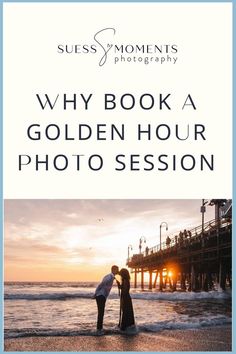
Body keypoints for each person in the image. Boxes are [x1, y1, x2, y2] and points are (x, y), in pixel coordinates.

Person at [93, 265, 119, 335]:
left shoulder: (112, 277)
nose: (118, 271)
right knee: (101, 313)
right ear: (113, 270)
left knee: (101, 313)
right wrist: (95, 293)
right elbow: (101, 284)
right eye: (117, 270)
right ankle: (99, 330)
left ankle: (99, 328)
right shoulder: (109, 277)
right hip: (100, 296)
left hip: (102, 296)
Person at [118, 268, 135, 333]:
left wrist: (122, 299)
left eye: (121, 274)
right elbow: (123, 288)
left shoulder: (125, 280)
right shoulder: (126, 280)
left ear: (123, 274)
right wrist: (119, 285)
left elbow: (124, 291)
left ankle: (124, 328)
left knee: (125, 312)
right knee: (127, 313)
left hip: (126, 298)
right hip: (127, 298)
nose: (120, 275)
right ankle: (128, 327)